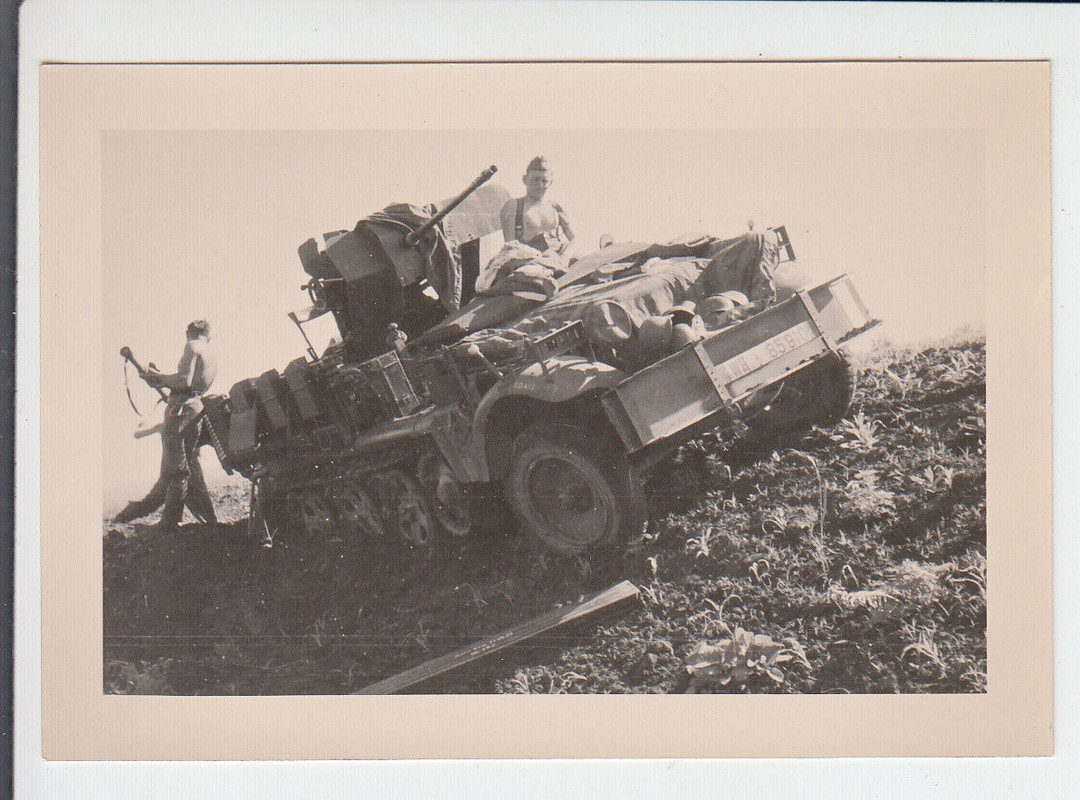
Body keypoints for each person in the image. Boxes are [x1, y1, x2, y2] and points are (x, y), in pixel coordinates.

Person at [113, 320, 219, 530]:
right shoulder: (210, 354)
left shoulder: (191, 346)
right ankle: (127, 517)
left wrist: (160, 379)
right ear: (208, 335)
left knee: (177, 470)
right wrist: (162, 378)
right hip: (193, 408)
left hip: (180, 410)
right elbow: (189, 382)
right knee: (179, 470)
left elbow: (183, 381)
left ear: (188, 332)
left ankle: (170, 522)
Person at [500, 156, 576, 256]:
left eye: (544, 181)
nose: (540, 185)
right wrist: (537, 256)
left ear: (551, 182)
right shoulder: (514, 206)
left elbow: (574, 239)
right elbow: (510, 245)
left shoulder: (555, 207)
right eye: (535, 180)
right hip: (528, 259)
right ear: (525, 179)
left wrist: (566, 255)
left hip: (558, 256)